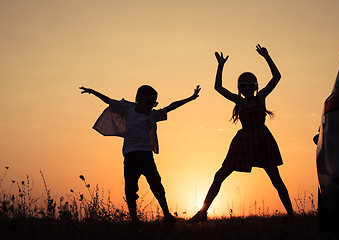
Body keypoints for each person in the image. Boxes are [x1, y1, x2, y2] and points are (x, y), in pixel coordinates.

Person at [187, 45, 294, 224]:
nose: (247, 88)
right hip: (243, 141)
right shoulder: (237, 100)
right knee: (219, 175)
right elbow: (218, 87)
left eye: (251, 85)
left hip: (262, 140)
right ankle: (202, 212)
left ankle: (291, 216)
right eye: (243, 85)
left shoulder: (260, 97)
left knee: (276, 179)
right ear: (239, 87)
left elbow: (277, 77)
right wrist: (220, 65)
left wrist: (267, 57)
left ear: (256, 86)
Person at [80, 84, 201, 225]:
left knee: (156, 184)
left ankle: (167, 216)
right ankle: (134, 220)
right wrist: (93, 91)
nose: (152, 106)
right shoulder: (127, 108)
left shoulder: (152, 115)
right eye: (150, 103)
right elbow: (108, 100)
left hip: (146, 156)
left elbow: (171, 107)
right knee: (130, 188)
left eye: (154, 103)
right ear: (139, 100)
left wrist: (191, 98)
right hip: (131, 157)